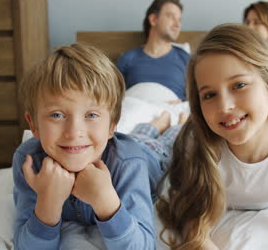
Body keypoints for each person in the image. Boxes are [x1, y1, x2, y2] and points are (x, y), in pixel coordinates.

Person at [156, 24, 268, 250]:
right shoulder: (197, 146)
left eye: (239, 85)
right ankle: (168, 124)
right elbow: (194, 228)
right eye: (209, 94)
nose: (224, 106)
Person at [12, 43, 181, 250]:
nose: (74, 132)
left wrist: (105, 201)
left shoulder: (129, 164)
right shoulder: (28, 162)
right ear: (33, 125)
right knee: (139, 134)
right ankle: (156, 124)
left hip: (151, 154)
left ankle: (174, 121)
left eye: (91, 115)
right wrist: (48, 203)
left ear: (112, 125)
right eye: (57, 115)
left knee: (171, 141)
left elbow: (144, 246)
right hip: (117, 142)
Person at [117, 0, 190, 101]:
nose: (177, 24)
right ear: (154, 19)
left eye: (179, 19)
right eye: (171, 17)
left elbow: (196, 99)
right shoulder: (127, 59)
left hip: (173, 113)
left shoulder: (186, 59)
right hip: (136, 112)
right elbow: (113, 98)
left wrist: (183, 103)